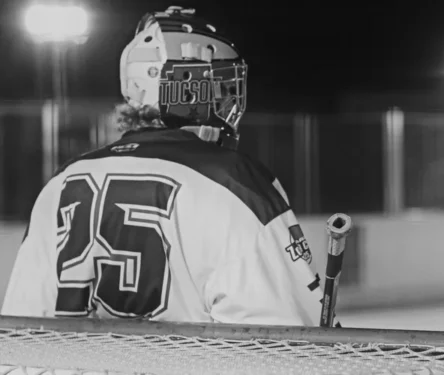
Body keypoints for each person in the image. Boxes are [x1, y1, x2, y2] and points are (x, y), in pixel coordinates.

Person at [1, 6, 328, 327]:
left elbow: (24, 334)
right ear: (186, 85)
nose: (227, 101)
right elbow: (284, 341)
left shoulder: (61, 182)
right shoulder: (234, 181)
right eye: (220, 86)